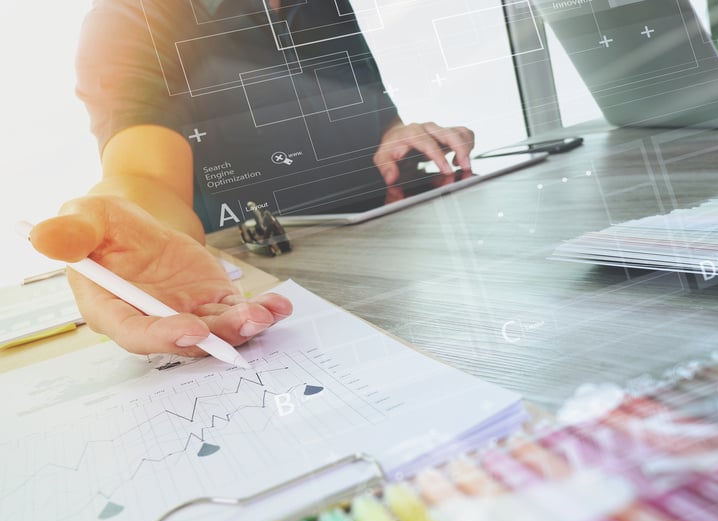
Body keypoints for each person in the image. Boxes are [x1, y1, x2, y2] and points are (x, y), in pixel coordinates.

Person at [29, 0, 475, 357]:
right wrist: (125, 220)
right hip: (270, 286)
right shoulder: (127, 17)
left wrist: (399, 135)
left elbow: (373, 114)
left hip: (396, 261)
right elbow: (145, 175)